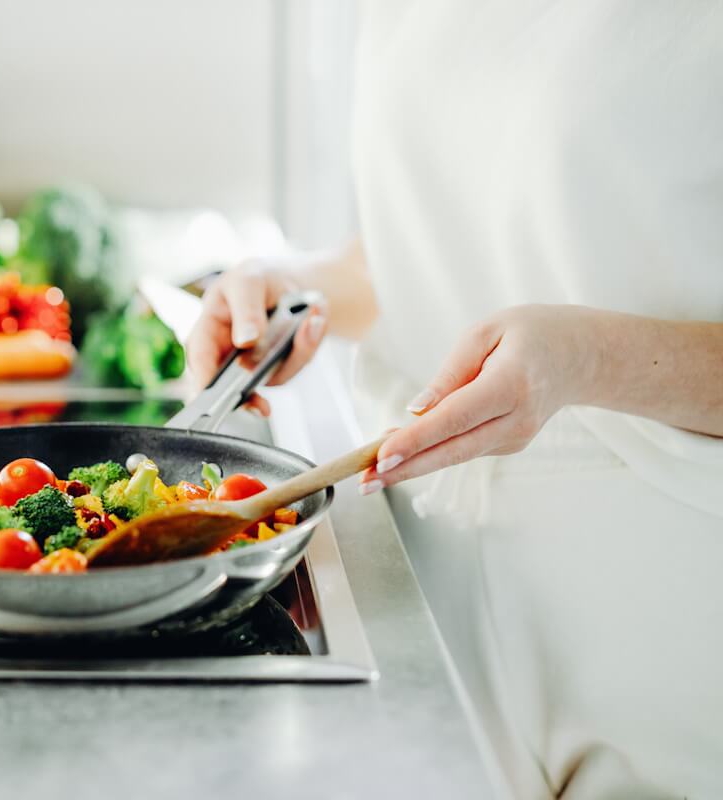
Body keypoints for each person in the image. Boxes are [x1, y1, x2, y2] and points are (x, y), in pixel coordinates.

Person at [187, 5, 723, 799]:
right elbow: (418, 253)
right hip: (421, 591)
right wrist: (296, 284)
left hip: (665, 627)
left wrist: (587, 357)